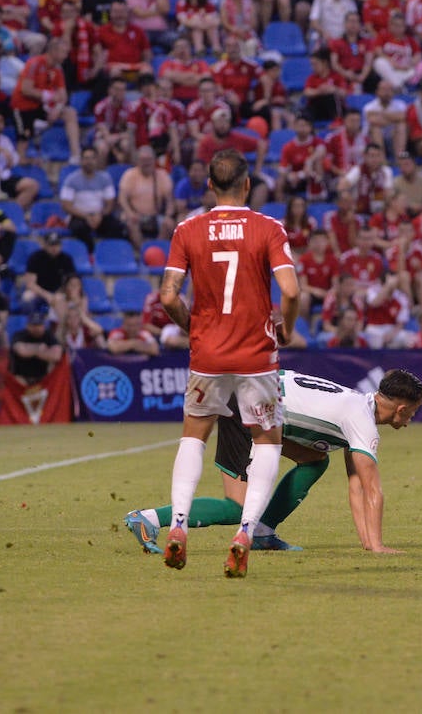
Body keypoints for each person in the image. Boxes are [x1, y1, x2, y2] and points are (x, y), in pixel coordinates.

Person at [158, 149, 301, 577]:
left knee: (194, 435)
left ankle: (179, 526)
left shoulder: (187, 229)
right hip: (256, 353)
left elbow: (168, 296)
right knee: (267, 440)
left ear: (208, 186)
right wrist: (287, 329)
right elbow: (290, 291)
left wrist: (192, 326)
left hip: (208, 351)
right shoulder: (268, 228)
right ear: (247, 184)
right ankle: (243, 534)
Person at [124, 369, 422, 555]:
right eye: (412, 413)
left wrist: (368, 543)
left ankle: (262, 533)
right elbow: (371, 488)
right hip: (249, 405)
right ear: (400, 408)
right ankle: (148, 518)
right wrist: (377, 546)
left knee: (315, 460)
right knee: (238, 508)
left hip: (260, 399)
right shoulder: (362, 421)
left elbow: (356, 486)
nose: (411, 420)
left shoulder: (357, 407)